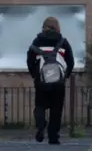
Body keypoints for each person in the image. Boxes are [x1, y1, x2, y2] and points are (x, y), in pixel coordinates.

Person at [26, 16, 75, 145]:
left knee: (40, 106)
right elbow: (70, 62)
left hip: (41, 82)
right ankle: (53, 137)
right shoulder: (63, 42)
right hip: (58, 83)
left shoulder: (37, 41)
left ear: (44, 27)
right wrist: (65, 76)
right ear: (57, 27)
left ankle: (40, 126)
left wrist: (35, 75)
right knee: (56, 109)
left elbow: (30, 60)